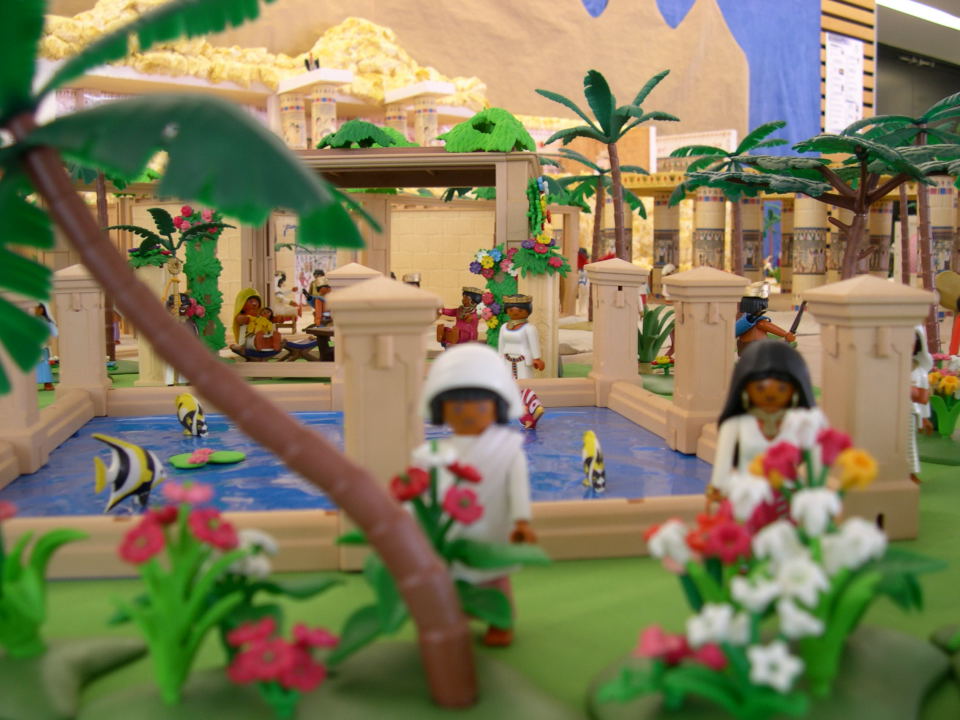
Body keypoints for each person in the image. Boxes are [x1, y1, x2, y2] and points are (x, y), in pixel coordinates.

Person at [418, 343, 536, 647]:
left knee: (494, 577)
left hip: (494, 525)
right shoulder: (436, 451)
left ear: (497, 407)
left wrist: (522, 521)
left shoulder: (508, 449)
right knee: (455, 576)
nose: (469, 414)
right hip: (453, 529)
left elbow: (517, 487)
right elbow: (427, 487)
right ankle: (459, 618)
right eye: (457, 408)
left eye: (480, 407)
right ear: (441, 409)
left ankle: (501, 620)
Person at [709, 340, 828, 504]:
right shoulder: (735, 424)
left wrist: (816, 495)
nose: (770, 395)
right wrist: (718, 489)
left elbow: (815, 465)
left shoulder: (803, 423)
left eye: (781, 388)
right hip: (747, 498)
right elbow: (722, 466)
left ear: (795, 389)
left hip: (788, 499)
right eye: (760, 388)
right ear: (745, 388)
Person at [735, 282, 796, 356]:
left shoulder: (744, 321)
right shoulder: (757, 321)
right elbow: (765, 325)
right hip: (758, 346)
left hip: (744, 345)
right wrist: (785, 334)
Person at [498, 294, 544, 380]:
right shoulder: (504, 327)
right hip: (507, 357)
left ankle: (525, 389)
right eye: (511, 310)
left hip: (523, 359)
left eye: (520, 310)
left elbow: (534, 344)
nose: (515, 313)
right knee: (508, 378)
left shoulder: (529, 328)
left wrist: (537, 358)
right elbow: (501, 344)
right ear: (506, 311)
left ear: (528, 311)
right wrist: (500, 357)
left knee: (524, 377)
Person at [908, 325, 933, 484]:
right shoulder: (893, 366)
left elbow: (923, 398)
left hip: (911, 412)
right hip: (890, 411)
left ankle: (910, 472)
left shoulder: (920, 371)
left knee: (909, 443)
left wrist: (924, 418)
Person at [34, 303, 57, 391]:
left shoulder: (45, 320)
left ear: (42, 310)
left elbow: (53, 333)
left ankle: (47, 384)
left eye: (37, 308)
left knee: (44, 365)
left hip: (42, 346)